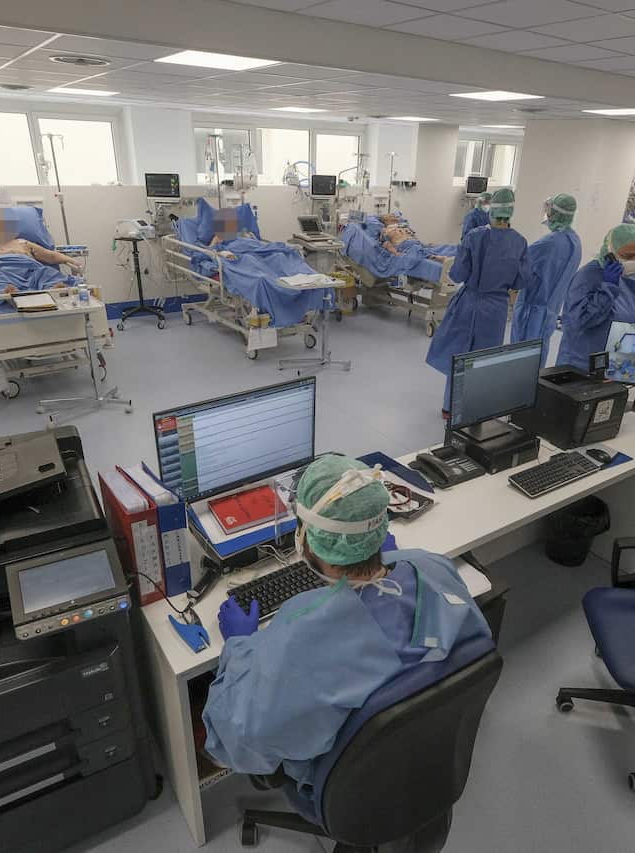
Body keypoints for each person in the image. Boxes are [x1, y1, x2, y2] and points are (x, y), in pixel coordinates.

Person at [202, 454, 493, 851]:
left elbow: (233, 742)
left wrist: (238, 644)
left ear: (305, 537)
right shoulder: (432, 566)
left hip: (349, 792)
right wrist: (392, 558)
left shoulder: (300, 633)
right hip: (429, 764)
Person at [426, 187, 529, 414]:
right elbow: (520, 281)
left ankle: (450, 408)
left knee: (460, 355)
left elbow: (458, 274)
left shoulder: (475, 236)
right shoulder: (520, 242)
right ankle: (477, 407)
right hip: (497, 310)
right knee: (485, 357)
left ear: (491, 208)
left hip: (470, 303)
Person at [556, 223, 635, 370]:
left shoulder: (629, 281)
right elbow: (580, 321)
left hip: (613, 365)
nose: (633, 261)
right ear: (610, 251)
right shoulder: (586, 278)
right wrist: (608, 289)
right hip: (581, 365)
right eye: (628, 256)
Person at [511, 193, 580, 365]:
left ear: (555, 213)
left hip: (532, 309)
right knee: (537, 355)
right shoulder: (574, 240)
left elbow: (518, 266)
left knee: (520, 359)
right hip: (551, 310)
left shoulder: (548, 243)